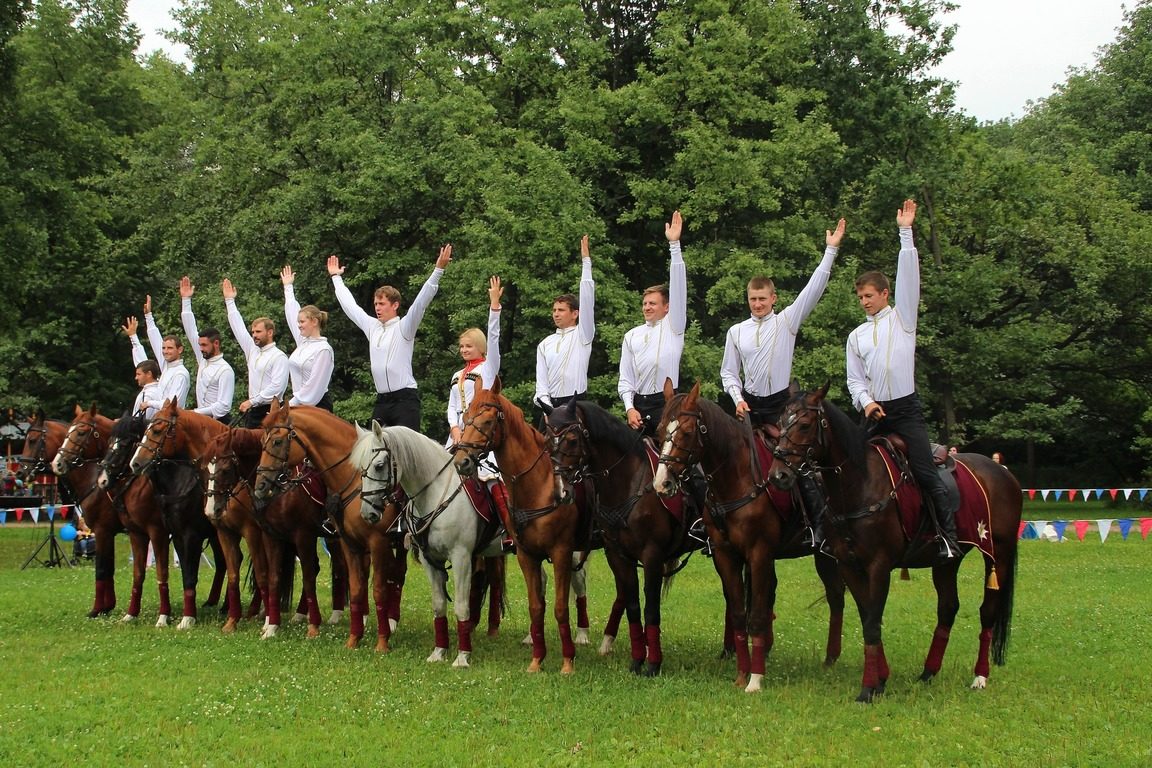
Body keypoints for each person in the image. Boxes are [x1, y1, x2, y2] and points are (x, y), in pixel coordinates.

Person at [846, 199, 958, 560]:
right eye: (860, 297)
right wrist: (867, 403)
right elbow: (855, 381)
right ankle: (837, 534)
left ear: (885, 294)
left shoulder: (903, 320)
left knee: (926, 473)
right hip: (874, 412)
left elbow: (911, 280)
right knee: (843, 465)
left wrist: (905, 234)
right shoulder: (856, 336)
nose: (864, 302)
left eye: (869, 296)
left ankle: (946, 536)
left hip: (906, 411)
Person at [721, 218, 845, 426]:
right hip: (749, 405)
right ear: (748, 299)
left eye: (762, 299)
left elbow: (811, 291)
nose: (758, 304)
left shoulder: (786, 321)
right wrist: (738, 400)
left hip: (780, 405)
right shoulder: (736, 331)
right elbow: (728, 372)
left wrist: (830, 251)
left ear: (773, 299)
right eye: (753, 299)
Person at [328, 245, 452, 430]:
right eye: (376, 303)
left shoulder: (404, 327)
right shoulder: (372, 327)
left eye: (382, 303)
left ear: (395, 305)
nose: (377, 307)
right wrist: (336, 277)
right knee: (374, 453)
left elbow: (420, 303)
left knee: (405, 453)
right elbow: (350, 307)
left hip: (405, 400)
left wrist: (438, 270)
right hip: (382, 401)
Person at [618, 211, 687, 438]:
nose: (647, 307)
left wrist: (674, 245)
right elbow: (626, 379)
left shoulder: (674, 327)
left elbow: (678, 289)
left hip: (667, 404)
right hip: (639, 407)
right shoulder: (631, 336)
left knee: (682, 462)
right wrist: (629, 408)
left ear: (666, 307)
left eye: (653, 303)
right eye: (645, 303)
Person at [534, 235, 595, 412]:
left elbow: (587, 300)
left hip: (577, 405)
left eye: (561, 310)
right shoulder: (545, 344)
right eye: (554, 310)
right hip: (550, 407)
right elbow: (541, 383)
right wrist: (547, 408)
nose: (556, 314)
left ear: (575, 313)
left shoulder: (583, 335)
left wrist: (586, 263)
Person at [222, 279, 290, 429]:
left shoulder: (279, 357)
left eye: (258, 332)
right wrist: (229, 301)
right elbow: (238, 328)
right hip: (252, 411)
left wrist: (252, 401)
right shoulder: (252, 350)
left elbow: (276, 388)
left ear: (270, 332)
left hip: (270, 412)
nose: (254, 335)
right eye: (253, 332)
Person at [448, 276, 504, 447]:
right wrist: (454, 427)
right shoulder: (457, 374)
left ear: (480, 347)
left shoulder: (487, 368)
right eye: (462, 346)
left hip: (479, 429)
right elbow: (451, 406)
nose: (464, 350)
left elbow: (494, 337)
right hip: (457, 433)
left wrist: (494, 307)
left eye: (469, 346)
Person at [179, 276, 236, 423]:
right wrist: (186, 301)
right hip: (202, 420)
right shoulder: (203, 360)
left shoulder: (225, 370)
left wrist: (194, 412)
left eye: (204, 345)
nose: (201, 349)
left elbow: (223, 406)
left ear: (216, 344)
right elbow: (190, 330)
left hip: (219, 423)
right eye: (200, 345)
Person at [281, 266, 335, 411]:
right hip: (300, 405)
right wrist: (288, 287)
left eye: (302, 322)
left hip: (317, 406)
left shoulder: (323, 349)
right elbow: (292, 312)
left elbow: (313, 386)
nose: (298, 325)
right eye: (298, 322)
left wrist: (290, 405)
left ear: (314, 322)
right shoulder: (303, 343)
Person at [127, 296, 190, 409]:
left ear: (180, 350)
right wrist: (148, 316)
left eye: (170, 348)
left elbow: (170, 405)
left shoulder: (180, 373)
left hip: (173, 422)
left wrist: (149, 404)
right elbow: (155, 341)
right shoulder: (167, 366)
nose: (165, 351)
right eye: (164, 348)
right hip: (161, 420)